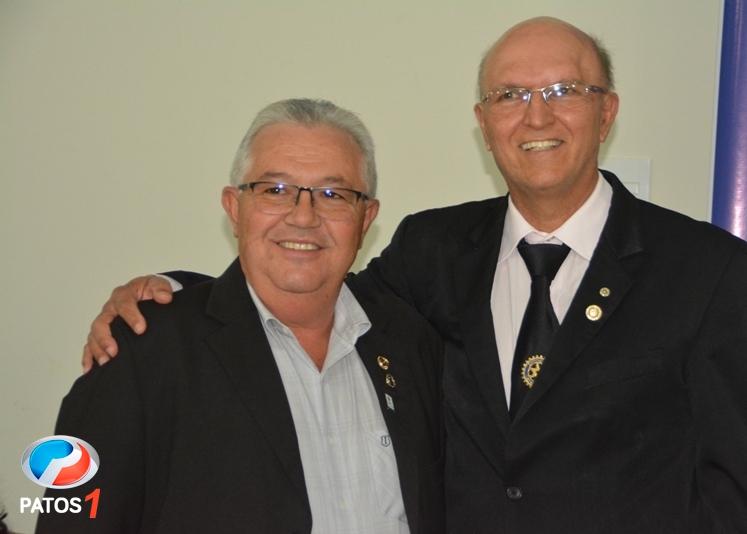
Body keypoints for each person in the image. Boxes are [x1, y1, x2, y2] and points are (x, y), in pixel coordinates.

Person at [83, 17, 747, 533]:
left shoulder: (708, 272)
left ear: (607, 112)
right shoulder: (435, 249)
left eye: (564, 90)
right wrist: (172, 293)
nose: (535, 115)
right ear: (483, 122)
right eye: (510, 95)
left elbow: (743, 499)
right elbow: (312, 286)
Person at [39, 99, 445, 534]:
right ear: (235, 209)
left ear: (365, 220)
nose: (303, 216)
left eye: (333, 195)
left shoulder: (410, 344)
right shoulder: (144, 350)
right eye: (275, 190)